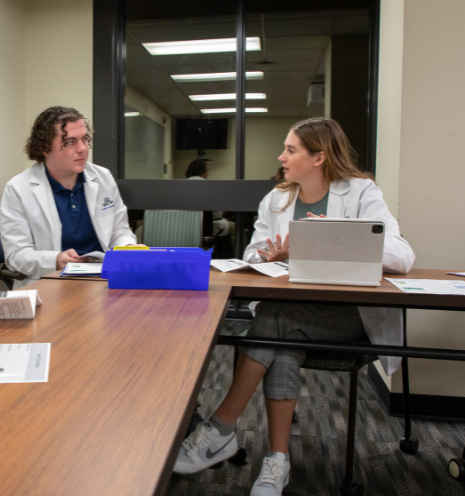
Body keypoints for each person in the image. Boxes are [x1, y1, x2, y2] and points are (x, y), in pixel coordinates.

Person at [173, 118, 415, 496]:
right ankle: (278, 461)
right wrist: (273, 254)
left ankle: (220, 428)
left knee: (274, 322)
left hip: (347, 317)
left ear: (319, 157)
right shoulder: (277, 198)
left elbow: (402, 256)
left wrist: (332, 238)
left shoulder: (361, 193)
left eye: (291, 149)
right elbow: (253, 252)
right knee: (280, 339)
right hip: (289, 316)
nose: (281, 156)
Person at [0, 106, 139, 285]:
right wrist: (56, 260)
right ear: (45, 148)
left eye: (85, 139)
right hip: (51, 282)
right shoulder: (18, 189)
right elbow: (16, 255)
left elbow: (119, 230)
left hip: (102, 279)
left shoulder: (103, 177)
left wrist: (126, 246)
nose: (82, 149)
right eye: (71, 142)